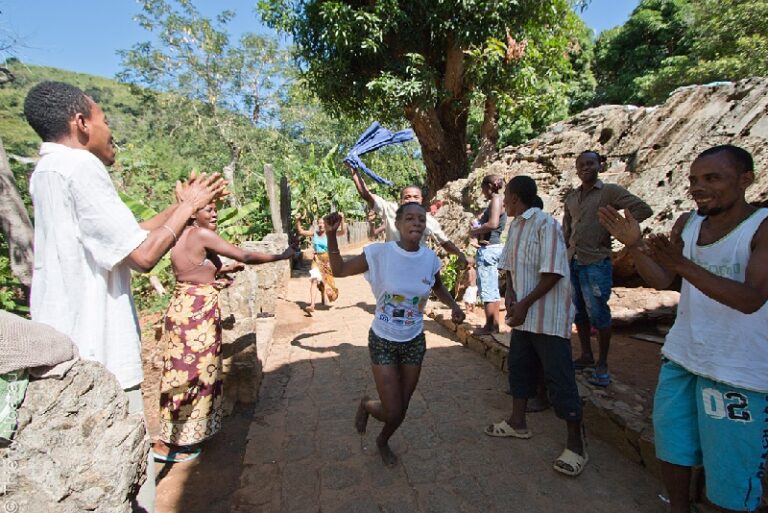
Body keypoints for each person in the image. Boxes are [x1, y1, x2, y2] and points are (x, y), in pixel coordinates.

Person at [24, 81, 226, 513]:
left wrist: (182, 207)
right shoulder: (81, 168)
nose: (110, 129)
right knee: (128, 481)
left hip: (66, 344)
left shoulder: (47, 171)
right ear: (80, 123)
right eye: (103, 118)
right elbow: (142, 255)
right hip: (97, 349)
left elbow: (126, 233)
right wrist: (188, 208)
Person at [598, 145, 768, 513]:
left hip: (737, 373)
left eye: (712, 178)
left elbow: (751, 298)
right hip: (682, 357)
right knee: (673, 445)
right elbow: (662, 280)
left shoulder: (761, 228)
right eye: (693, 179)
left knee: (729, 472)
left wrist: (682, 265)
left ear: (746, 180)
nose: (697, 187)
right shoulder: (687, 225)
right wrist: (635, 245)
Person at [323, 204, 465, 466]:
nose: (417, 223)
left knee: (402, 409)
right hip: (383, 340)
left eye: (421, 219)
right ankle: (367, 405)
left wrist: (454, 306)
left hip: (414, 341)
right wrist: (331, 235)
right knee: (392, 409)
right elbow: (340, 270)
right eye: (410, 218)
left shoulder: (430, 259)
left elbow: (438, 288)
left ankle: (382, 441)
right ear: (397, 224)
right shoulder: (380, 254)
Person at [153, 202, 296, 462]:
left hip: (182, 307)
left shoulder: (178, 235)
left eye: (216, 208)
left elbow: (190, 271)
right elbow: (247, 255)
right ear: (193, 213)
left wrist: (220, 270)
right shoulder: (201, 234)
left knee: (179, 373)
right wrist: (282, 256)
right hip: (196, 316)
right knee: (195, 374)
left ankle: (176, 435)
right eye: (208, 209)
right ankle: (181, 442)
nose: (214, 213)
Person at [486, 176, 586, 477]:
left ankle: (576, 445)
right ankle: (517, 423)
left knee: (559, 378)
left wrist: (524, 304)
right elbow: (511, 270)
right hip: (525, 317)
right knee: (518, 368)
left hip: (549, 318)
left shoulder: (546, 224)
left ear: (515, 198)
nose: (504, 202)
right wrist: (512, 298)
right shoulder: (515, 225)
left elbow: (554, 272)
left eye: (507, 197)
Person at [563, 150, 652, 386]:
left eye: (590, 163)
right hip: (574, 261)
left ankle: (602, 364)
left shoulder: (610, 192)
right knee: (579, 312)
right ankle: (585, 355)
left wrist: (618, 228)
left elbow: (643, 209)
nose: (586, 168)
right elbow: (567, 229)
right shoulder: (571, 198)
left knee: (599, 312)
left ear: (600, 165)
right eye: (581, 165)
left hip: (596, 262)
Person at [347, 163, 471, 267]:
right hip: (393, 267)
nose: (411, 199)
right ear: (401, 201)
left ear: (421, 200)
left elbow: (445, 242)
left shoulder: (428, 220)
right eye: (407, 197)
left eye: (415, 197)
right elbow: (366, 195)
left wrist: (460, 254)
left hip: (417, 267)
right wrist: (354, 171)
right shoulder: (390, 209)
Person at [468, 175, 506, 335]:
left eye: (483, 187)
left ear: (489, 186)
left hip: (489, 250)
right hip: (491, 247)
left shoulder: (496, 200)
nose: (482, 191)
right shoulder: (496, 201)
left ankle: (490, 326)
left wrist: (475, 230)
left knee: (488, 288)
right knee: (491, 288)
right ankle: (493, 325)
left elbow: (493, 224)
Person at [294, 213, 345, 315]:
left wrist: (342, 219)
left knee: (328, 287)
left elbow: (343, 232)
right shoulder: (315, 233)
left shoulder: (330, 233)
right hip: (316, 259)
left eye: (323, 223)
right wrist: (297, 220)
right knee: (314, 280)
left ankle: (323, 293)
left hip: (327, 261)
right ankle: (312, 305)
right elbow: (300, 231)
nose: (321, 225)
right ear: (317, 224)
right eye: (319, 223)